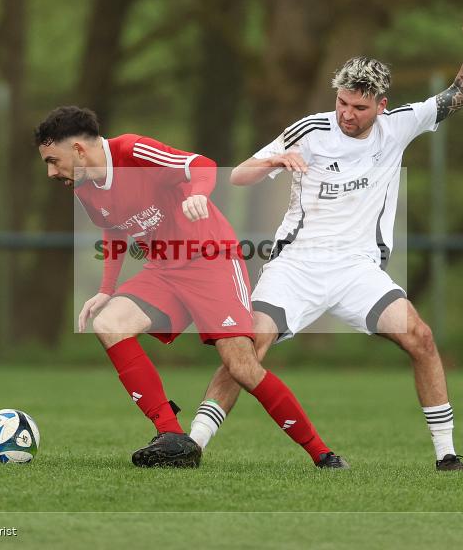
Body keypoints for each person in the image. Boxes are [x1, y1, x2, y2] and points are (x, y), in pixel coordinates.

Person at [186, 11, 463, 472]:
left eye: (359, 108)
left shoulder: (401, 126)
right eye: (342, 103)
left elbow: (462, 93)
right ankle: (192, 445)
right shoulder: (310, 129)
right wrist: (276, 160)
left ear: (382, 106)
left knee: (422, 339)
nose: (347, 114)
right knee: (246, 348)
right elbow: (242, 176)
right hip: (297, 265)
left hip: (357, 269)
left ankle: (446, 455)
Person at [35, 106, 348, 469]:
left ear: (77, 150)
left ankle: (321, 452)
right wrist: (107, 289)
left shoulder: (133, 151)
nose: (51, 171)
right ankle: (171, 435)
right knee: (109, 323)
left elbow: (200, 165)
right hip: (164, 269)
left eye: (53, 160)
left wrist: (198, 193)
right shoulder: (86, 189)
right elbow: (114, 230)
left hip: (210, 258)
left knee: (242, 367)